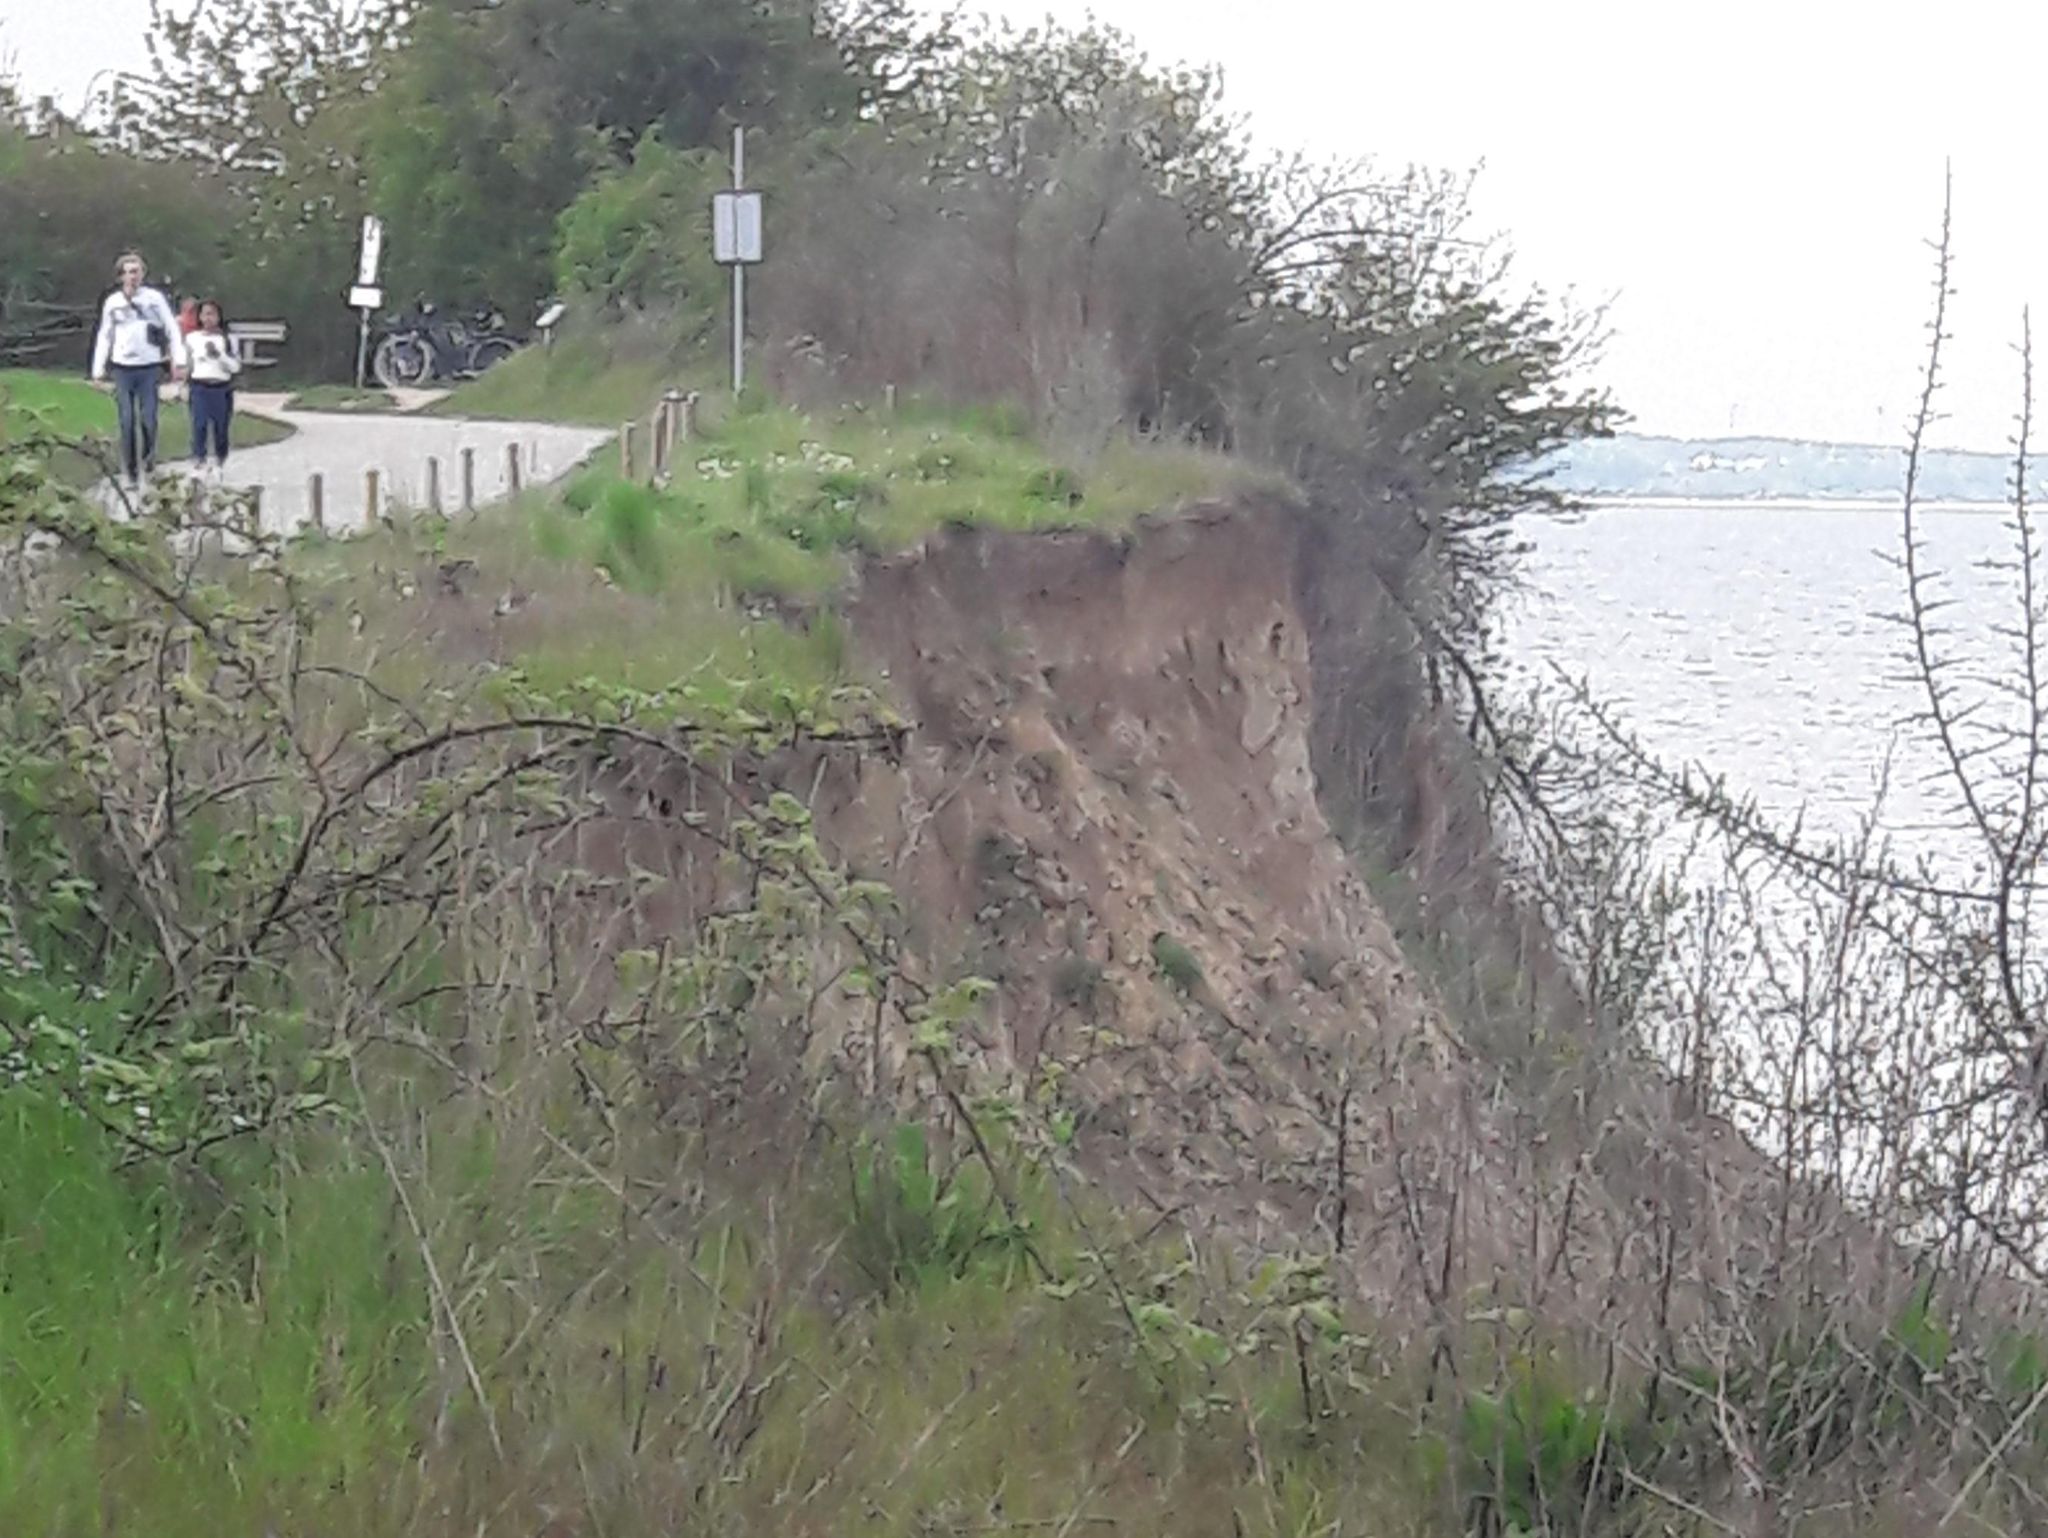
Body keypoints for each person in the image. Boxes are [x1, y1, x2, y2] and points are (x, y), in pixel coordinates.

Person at [90, 252, 187, 488]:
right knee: (126, 419)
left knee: (148, 418)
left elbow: (172, 328)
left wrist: (180, 359)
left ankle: (149, 461)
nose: (134, 276)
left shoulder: (154, 298)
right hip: (122, 368)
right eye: (129, 271)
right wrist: (98, 368)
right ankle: (130, 472)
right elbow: (105, 334)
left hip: (149, 367)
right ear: (121, 275)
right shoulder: (113, 301)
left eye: (138, 271)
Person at [185, 299, 241, 475]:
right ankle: (199, 459)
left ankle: (219, 460)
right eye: (204, 314)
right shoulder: (192, 338)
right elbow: (187, 363)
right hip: (199, 386)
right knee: (199, 424)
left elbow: (235, 367)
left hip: (220, 387)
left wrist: (220, 356)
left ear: (218, 317)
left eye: (212, 314)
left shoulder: (227, 339)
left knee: (220, 427)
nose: (208, 318)